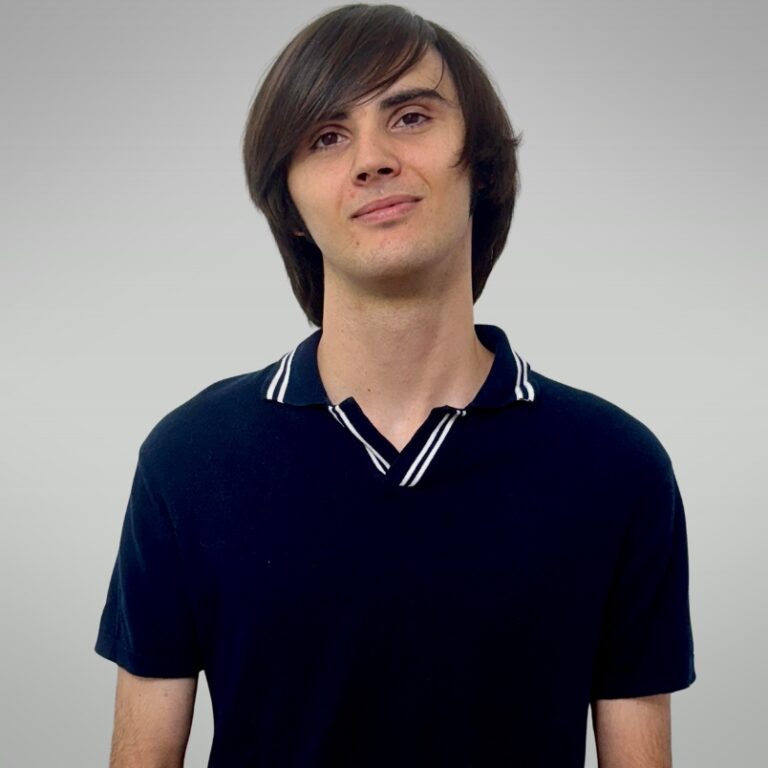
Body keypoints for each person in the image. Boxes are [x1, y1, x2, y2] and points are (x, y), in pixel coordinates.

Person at [95, 4, 696, 766]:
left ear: (481, 165)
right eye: (326, 136)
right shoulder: (187, 461)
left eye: (410, 117)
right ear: (291, 207)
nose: (372, 159)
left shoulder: (618, 468)